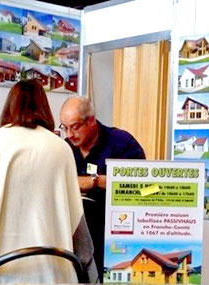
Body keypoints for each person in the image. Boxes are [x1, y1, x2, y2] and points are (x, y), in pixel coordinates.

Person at [0, 79, 98, 283]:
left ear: (9, 105)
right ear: (45, 108)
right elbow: (80, 235)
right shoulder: (61, 149)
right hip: (53, 275)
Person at [59, 96, 145, 277]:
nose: (69, 134)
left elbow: (141, 186)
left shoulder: (122, 143)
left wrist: (94, 181)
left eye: (74, 127)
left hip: (114, 238)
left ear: (91, 120)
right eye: (64, 128)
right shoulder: (65, 149)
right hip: (75, 241)